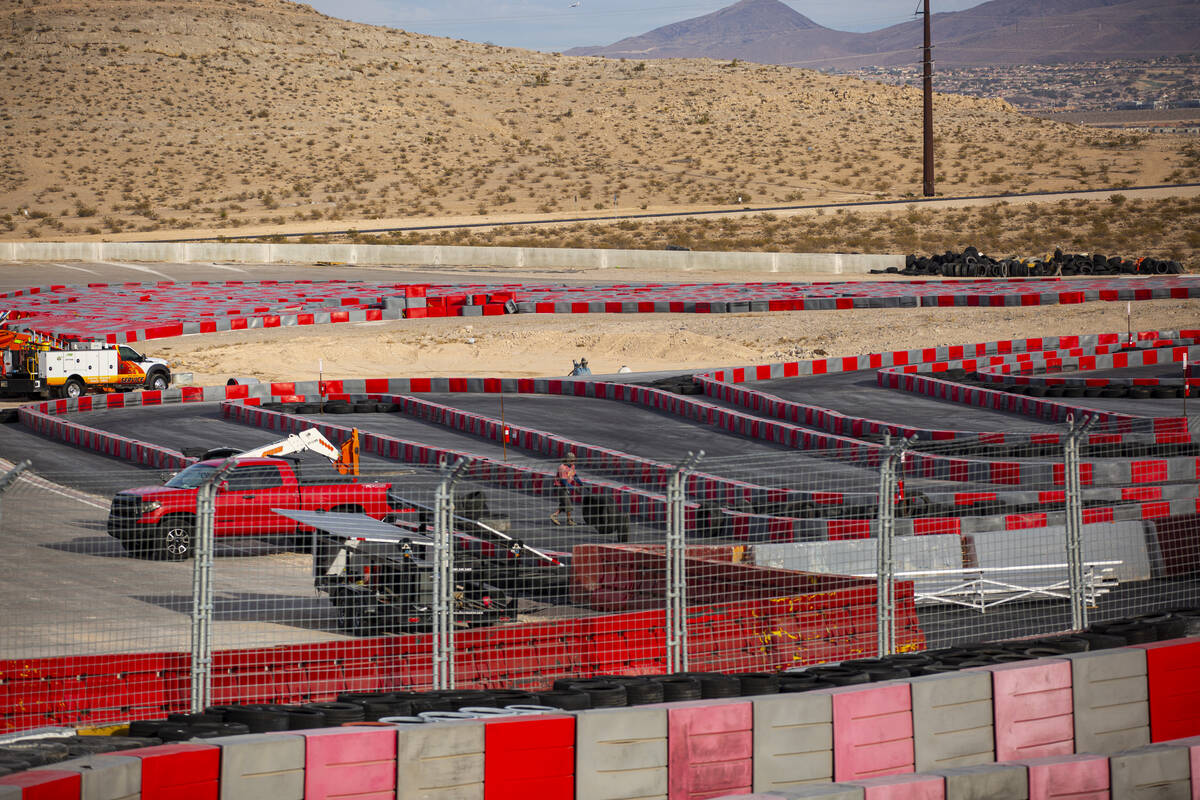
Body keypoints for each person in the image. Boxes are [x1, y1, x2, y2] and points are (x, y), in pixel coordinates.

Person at [550, 452, 582, 526]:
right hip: (559, 487)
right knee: (567, 503)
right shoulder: (562, 467)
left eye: (573, 460)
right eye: (571, 460)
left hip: (565, 487)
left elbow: (575, 476)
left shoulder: (572, 466)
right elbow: (563, 481)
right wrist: (573, 488)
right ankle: (555, 516)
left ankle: (568, 520)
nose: (573, 462)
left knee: (564, 504)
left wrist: (581, 484)